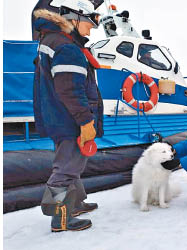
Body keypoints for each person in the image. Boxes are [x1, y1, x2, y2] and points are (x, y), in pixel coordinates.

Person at [33, 0, 103, 232]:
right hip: (70, 120)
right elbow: (70, 90)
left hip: (58, 117)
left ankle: (77, 203)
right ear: (75, 19)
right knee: (66, 169)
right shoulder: (68, 48)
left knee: (72, 163)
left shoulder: (51, 41)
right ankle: (61, 218)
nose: (91, 29)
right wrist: (85, 122)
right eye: (89, 23)